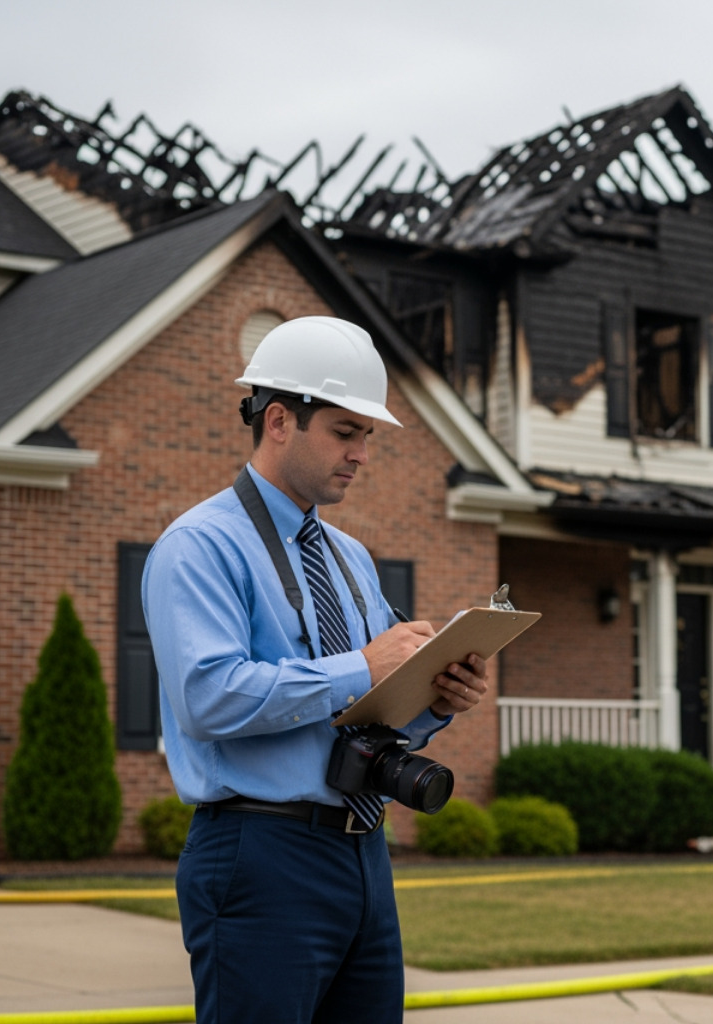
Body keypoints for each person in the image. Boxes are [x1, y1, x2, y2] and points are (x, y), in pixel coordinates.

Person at [143, 316, 490, 1024]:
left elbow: (372, 706)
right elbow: (206, 698)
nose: (362, 453)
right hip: (258, 851)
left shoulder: (351, 558)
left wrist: (437, 699)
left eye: (367, 436)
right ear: (279, 420)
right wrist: (361, 665)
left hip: (364, 853)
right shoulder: (199, 546)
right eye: (345, 431)